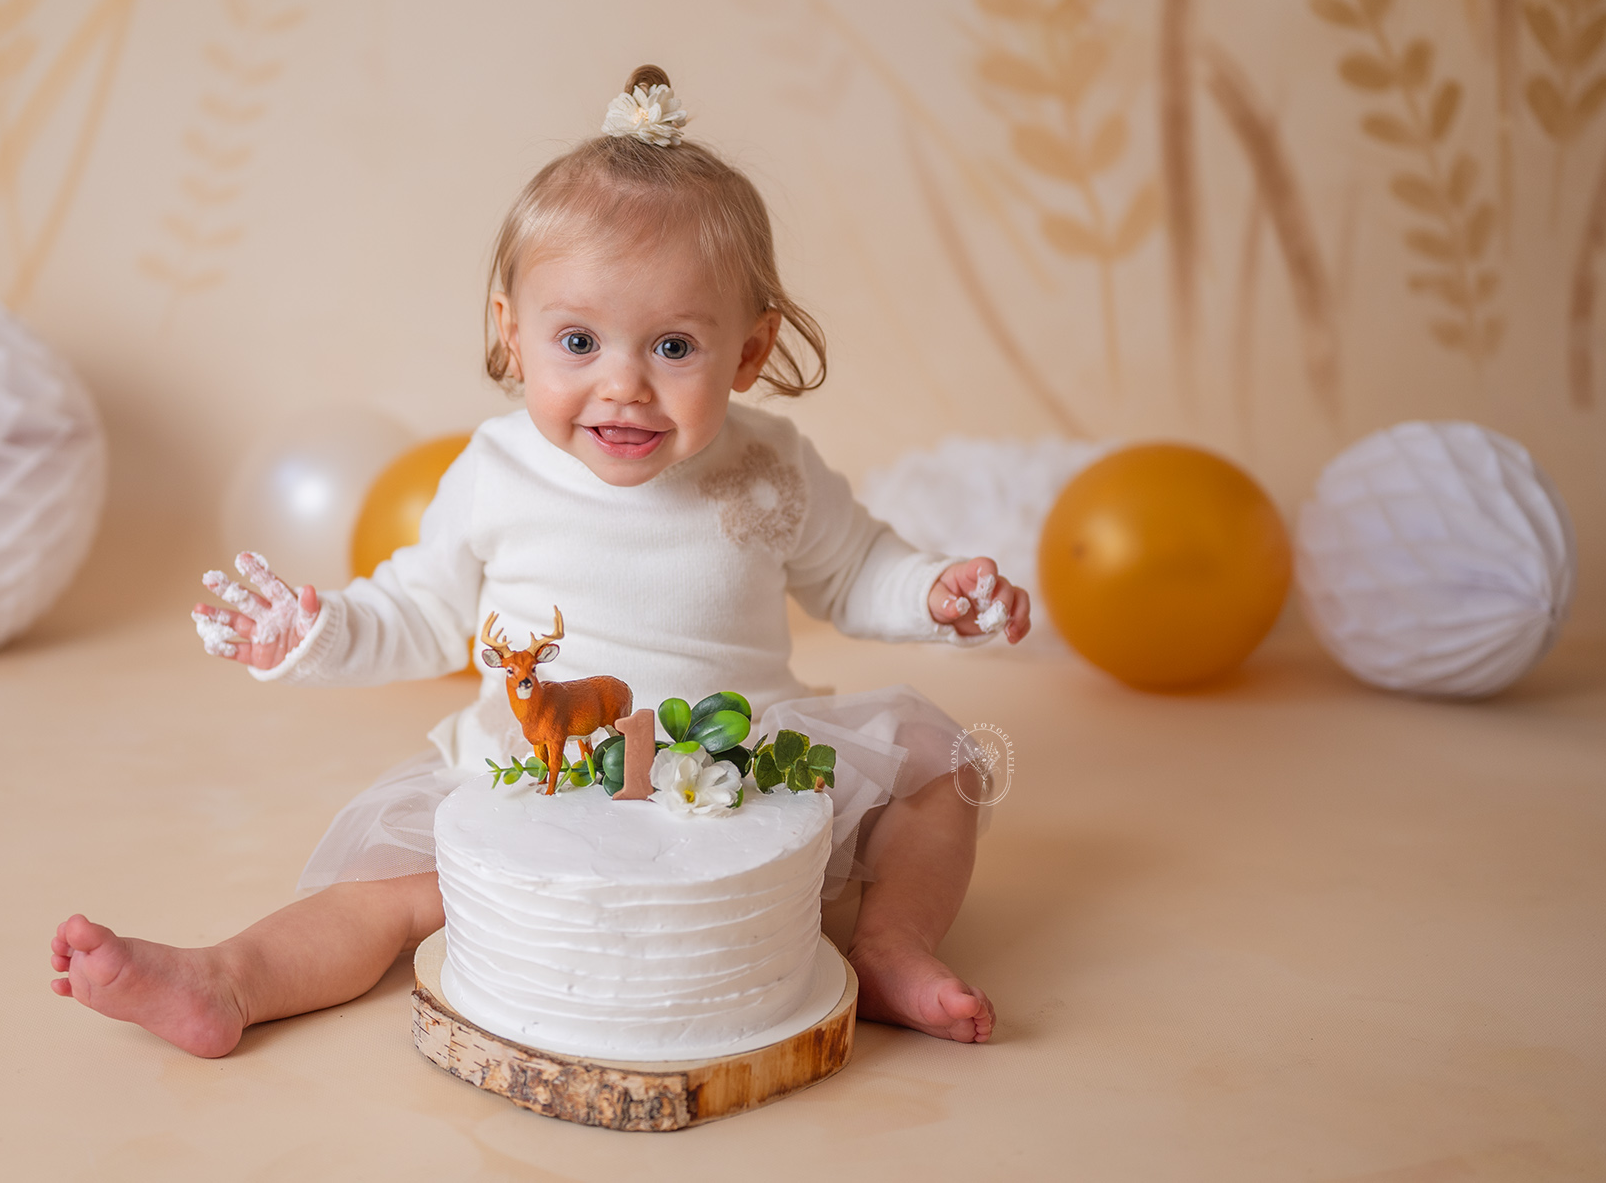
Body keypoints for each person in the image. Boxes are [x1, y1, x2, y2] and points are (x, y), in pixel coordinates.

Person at [50, 65, 1030, 1058]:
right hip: (536, 780)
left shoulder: (768, 465)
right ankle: (228, 978)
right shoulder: (496, 470)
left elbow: (855, 568)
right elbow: (420, 611)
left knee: (940, 766)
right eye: (578, 340)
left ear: (747, 351)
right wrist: (317, 633)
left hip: (735, 776)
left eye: (673, 347)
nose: (623, 385)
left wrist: (931, 592)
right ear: (511, 336)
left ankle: (892, 945)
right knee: (392, 896)